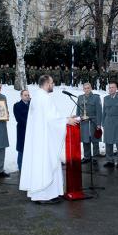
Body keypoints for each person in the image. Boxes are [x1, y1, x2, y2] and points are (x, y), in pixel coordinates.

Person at [19, 75, 79, 204]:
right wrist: (66, 120)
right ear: (46, 84)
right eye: (52, 83)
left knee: (41, 165)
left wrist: (65, 118)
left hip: (40, 138)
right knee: (45, 165)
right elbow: (52, 119)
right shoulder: (44, 98)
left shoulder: (37, 97)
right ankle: (43, 196)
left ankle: (44, 194)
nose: (53, 85)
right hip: (44, 140)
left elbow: (49, 117)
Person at [77, 83, 102, 164]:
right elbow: (78, 110)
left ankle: (95, 157)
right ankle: (87, 156)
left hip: (93, 122)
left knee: (95, 140)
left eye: (88, 88)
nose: (86, 89)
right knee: (85, 140)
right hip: (84, 122)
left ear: (91, 88)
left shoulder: (96, 98)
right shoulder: (80, 97)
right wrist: (78, 119)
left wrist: (98, 123)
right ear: (83, 89)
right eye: (85, 88)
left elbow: (99, 112)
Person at [13, 90, 31, 171]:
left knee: (30, 149)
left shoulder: (32, 105)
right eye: (25, 95)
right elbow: (18, 118)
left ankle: (29, 167)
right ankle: (21, 168)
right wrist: (29, 123)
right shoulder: (17, 105)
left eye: (28, 95)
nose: (27, 96)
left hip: (32, 130)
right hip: (22, 130)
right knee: (22, 149)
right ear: (21, 96)